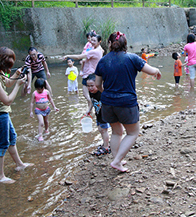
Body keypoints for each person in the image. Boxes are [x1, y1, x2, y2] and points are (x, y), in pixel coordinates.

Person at [95, 31, 161, 172]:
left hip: (107, 102)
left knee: (116, 132)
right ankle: (117, 161)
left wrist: (106, 94)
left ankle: (116, 160)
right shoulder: (132, 58)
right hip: (126, 103)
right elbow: (150, 70)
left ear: (109, 44)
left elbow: (97, 85)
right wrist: (157, 71)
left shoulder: (103, 61)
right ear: (126, 44)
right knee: (132, 133)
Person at [0, 47, 33, 183]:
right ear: (2, 63)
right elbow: (8, 100)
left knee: (12, 138)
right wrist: (18, 85)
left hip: (2, 111)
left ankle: (19, 165)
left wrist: (16, 75)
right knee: (2, 143)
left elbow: (7, 83)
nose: (8, 70)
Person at [62, 34, 103, 112]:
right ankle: (91, 110)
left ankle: (91, 108)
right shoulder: (99, 49)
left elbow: (78, 57)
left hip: (88, 74)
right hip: (93, 73)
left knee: (86, 94)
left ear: (99, 42)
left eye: (94, 41)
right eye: (92, 40)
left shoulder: (94, 51)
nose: (92, 42)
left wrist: (67, 56)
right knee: (93, 94)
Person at [85, 74, 110, 156]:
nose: (90, 88)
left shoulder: (101, 92)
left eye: (92, 85)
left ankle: (106, 147)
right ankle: (105, 143)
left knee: (104, 130)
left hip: (104, 114)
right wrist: (89, 110)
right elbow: (93, 101)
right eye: (88, 86)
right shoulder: (91, 92)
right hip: (98, 114)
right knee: (100, 129)